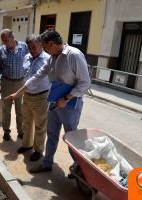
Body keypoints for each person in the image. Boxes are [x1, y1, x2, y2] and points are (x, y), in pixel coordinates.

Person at [6, 29, 90, 173]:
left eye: (44, 47)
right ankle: (47, 164)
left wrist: (65, 98)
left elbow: (85, 83)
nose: (43, 50)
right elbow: (38, 75)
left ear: (51, 44)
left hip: (70, 105)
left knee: (71, 139)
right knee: (51, 135)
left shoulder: (74, 55)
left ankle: (80, 169)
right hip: (54, 103)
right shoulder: (52, 59)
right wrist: (18, 92)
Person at [6, 34, 50, 161]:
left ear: (41, 45)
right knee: (26, 122)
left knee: (40, 125)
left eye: (34, 48)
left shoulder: (48, 59)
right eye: (30, 48)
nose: (32, 51)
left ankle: (38, 150)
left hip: (41, 96)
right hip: (27, 95)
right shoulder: (26, 57)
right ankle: (27, 145)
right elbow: (25, 76)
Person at [0, 29, 29, 141]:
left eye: (6, 41)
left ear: (13, 37)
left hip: (20, 83)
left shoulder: (24, 48)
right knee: (6, 109)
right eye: (3, 41)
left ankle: (21, 131)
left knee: (20, 109)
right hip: (6, 83)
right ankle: (6, 132)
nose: (5, 43)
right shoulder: (1, 50)